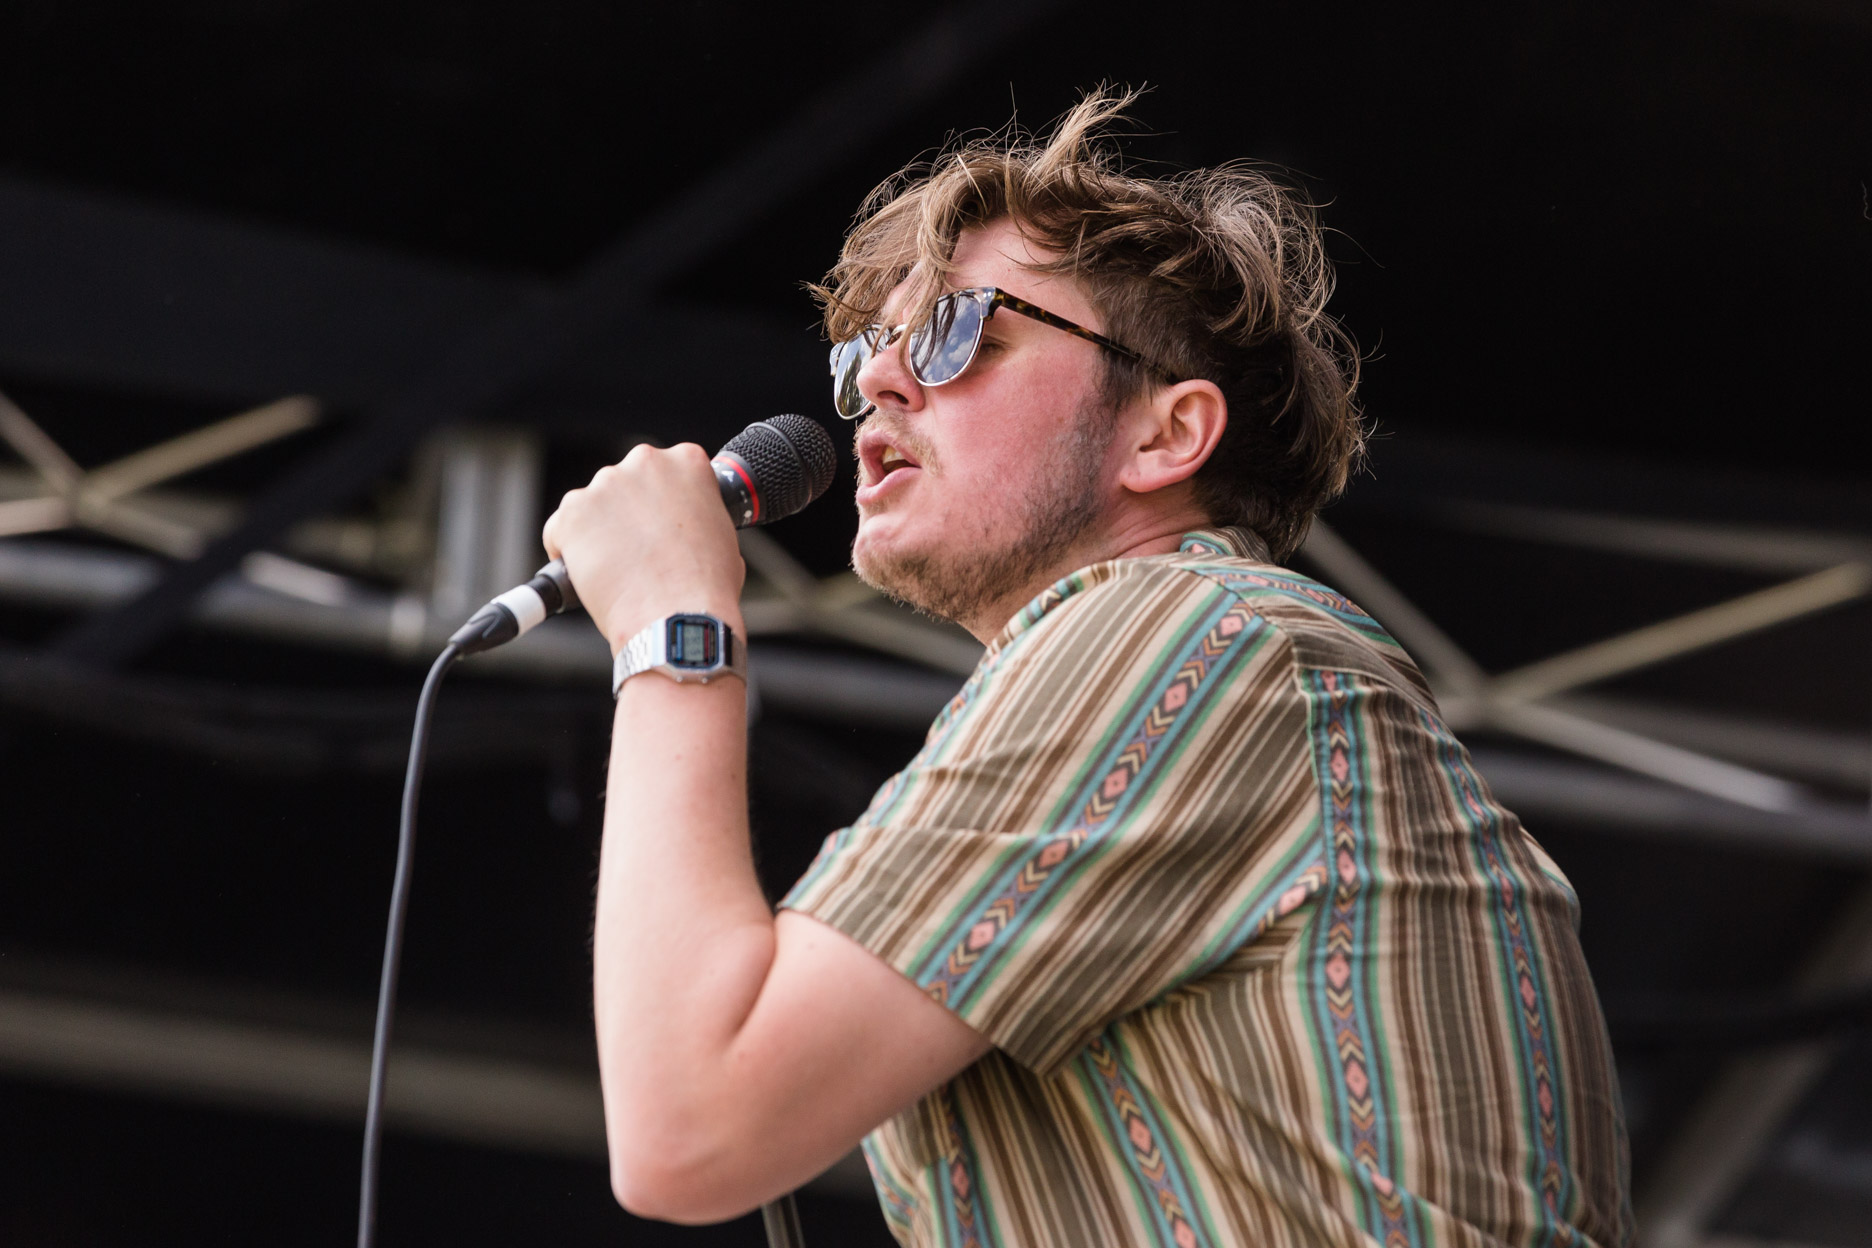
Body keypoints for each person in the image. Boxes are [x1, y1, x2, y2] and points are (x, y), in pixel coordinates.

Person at [542, 90, 1633, 1248]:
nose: (882, 384)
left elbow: (695, 1123)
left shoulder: (1192, 637)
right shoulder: (1168, 659)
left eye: (959, 331)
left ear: (1167, 434)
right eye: (863, 355)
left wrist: (672, 624)